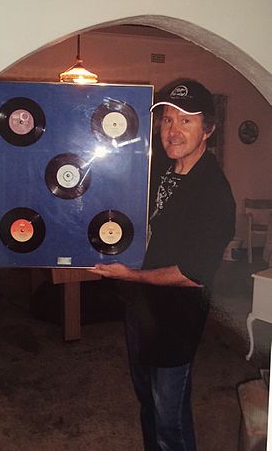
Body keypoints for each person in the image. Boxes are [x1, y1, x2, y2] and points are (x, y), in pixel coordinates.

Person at [89, 79, 236, 451]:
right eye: (167, 120)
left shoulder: (214, 193)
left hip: (175, 320)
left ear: (209, 130)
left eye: (186, 121)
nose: (173, 130)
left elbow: (192, 273)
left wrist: (132, 275)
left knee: (169, 419)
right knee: (147, 406)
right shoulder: (159, 172)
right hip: (140, 309)